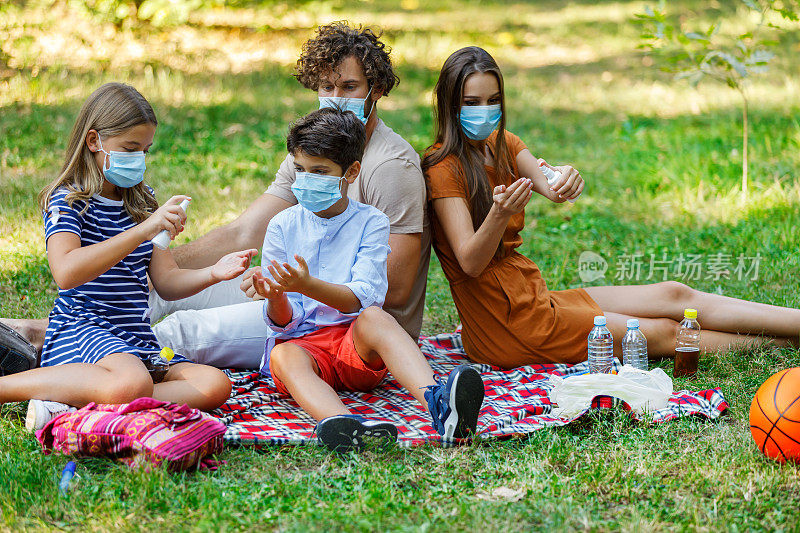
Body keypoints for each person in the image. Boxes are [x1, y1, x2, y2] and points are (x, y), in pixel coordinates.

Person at [1, 22, 429, 370]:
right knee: (149, 292)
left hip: (342, 326)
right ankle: (47, 333)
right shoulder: (315, 152)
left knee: (178, 332)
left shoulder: (390, 167)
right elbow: (245, 230)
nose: (335, 100)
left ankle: (53, 361)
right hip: (292, 297)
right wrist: (150, 265)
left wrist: (291, 286)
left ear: (376, 90)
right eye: (326, 87)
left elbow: (391, 290)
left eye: (349, 88)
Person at [422, 46, 800, 369]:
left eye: (493, 101)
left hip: (531, 296)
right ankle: (785, 344)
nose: (484, 112)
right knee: (665, 333)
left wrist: (565, 178)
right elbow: (470, 262)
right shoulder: (443, 168)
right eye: (471, 103)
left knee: (674, 293)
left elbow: (551, 185)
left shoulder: (502, 143)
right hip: (503, 326)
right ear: (449, 104)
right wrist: (499, 214)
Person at [0, 83, 257, 430]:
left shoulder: (141, 200)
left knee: (214, 385)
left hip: (133, 335)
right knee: (132, 383)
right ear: (94, 142)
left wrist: (214, 272)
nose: (138, 159)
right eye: (130, 148)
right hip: (82, 328)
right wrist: (142, 231)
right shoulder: (70, 201)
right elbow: (66, 272)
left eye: (145, 150)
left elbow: (165, 283)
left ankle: (80, 405)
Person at [252, 107, 483, 452]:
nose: (306, 180)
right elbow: (284, 325)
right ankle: (346, 426)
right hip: (305, 348)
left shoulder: (371, 222)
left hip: (354, 347)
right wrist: (275, 298)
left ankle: (440, 405)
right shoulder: (282, 225)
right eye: (299, 170)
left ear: (352, 171)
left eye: (319, 171)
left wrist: (305, 285)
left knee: (375, 317)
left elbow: (362, 298)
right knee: (283, 357)